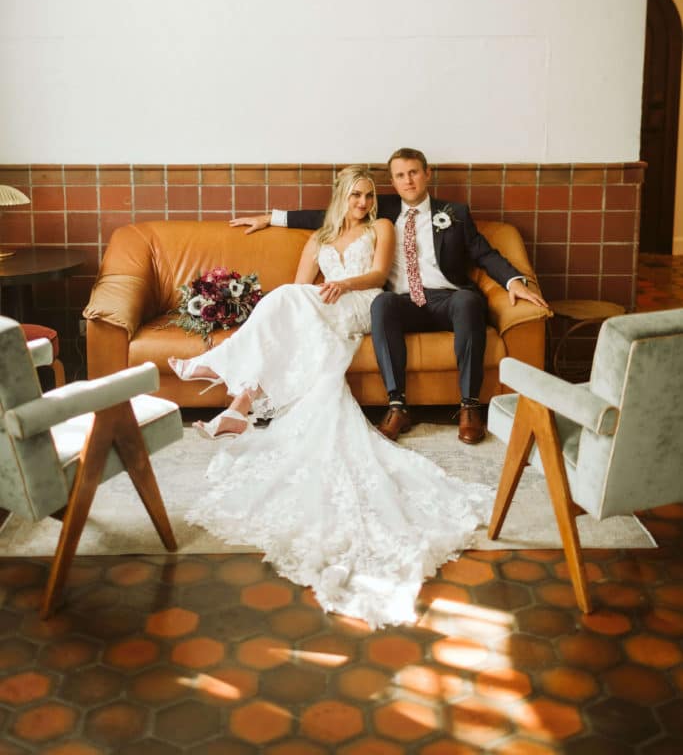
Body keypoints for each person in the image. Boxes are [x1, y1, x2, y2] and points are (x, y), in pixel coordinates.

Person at [170, 165, 493, 628]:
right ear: (341, 196)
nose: (363, 203)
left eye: (368, 196)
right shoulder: (317, 239)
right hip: (323, 306)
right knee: (285, 302)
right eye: (356, 196)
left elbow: (381, 274)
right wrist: (278, 226)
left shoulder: (381, 226)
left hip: (361, 303)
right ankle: (239, 406)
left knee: (287, 304)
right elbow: (299, 289)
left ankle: (218, 370)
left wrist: (343, 283)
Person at [233, 147, 549, 446]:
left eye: (413, 173)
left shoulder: (455, 213)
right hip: (403, 301)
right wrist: (271, 218)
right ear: (393, 181)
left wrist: (514, 280)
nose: (407, 180)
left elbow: (485, 253)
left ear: (427, 174)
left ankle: (469, 406)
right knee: (382, 303)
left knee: (469, 301)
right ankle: (398, 407)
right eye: (400, 175)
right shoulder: (380, 208)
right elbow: (327, 215)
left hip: (448, 298)